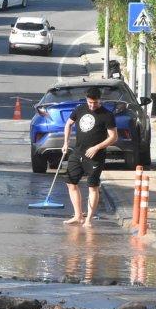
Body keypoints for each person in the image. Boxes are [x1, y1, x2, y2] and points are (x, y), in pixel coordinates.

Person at [62, 86, 118, 228]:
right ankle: (78, 216)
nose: (92, 105)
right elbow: (68, 124)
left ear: (100, 100)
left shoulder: (107, 115)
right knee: (71, 182)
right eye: (90, 102)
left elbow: (113, 137)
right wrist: (66, 142)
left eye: (95, 102)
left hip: (95, 156)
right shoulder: (80, 109)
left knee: (92, 186)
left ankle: (88, 220)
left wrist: (97, 147)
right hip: (77, 152)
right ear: (86, 100)